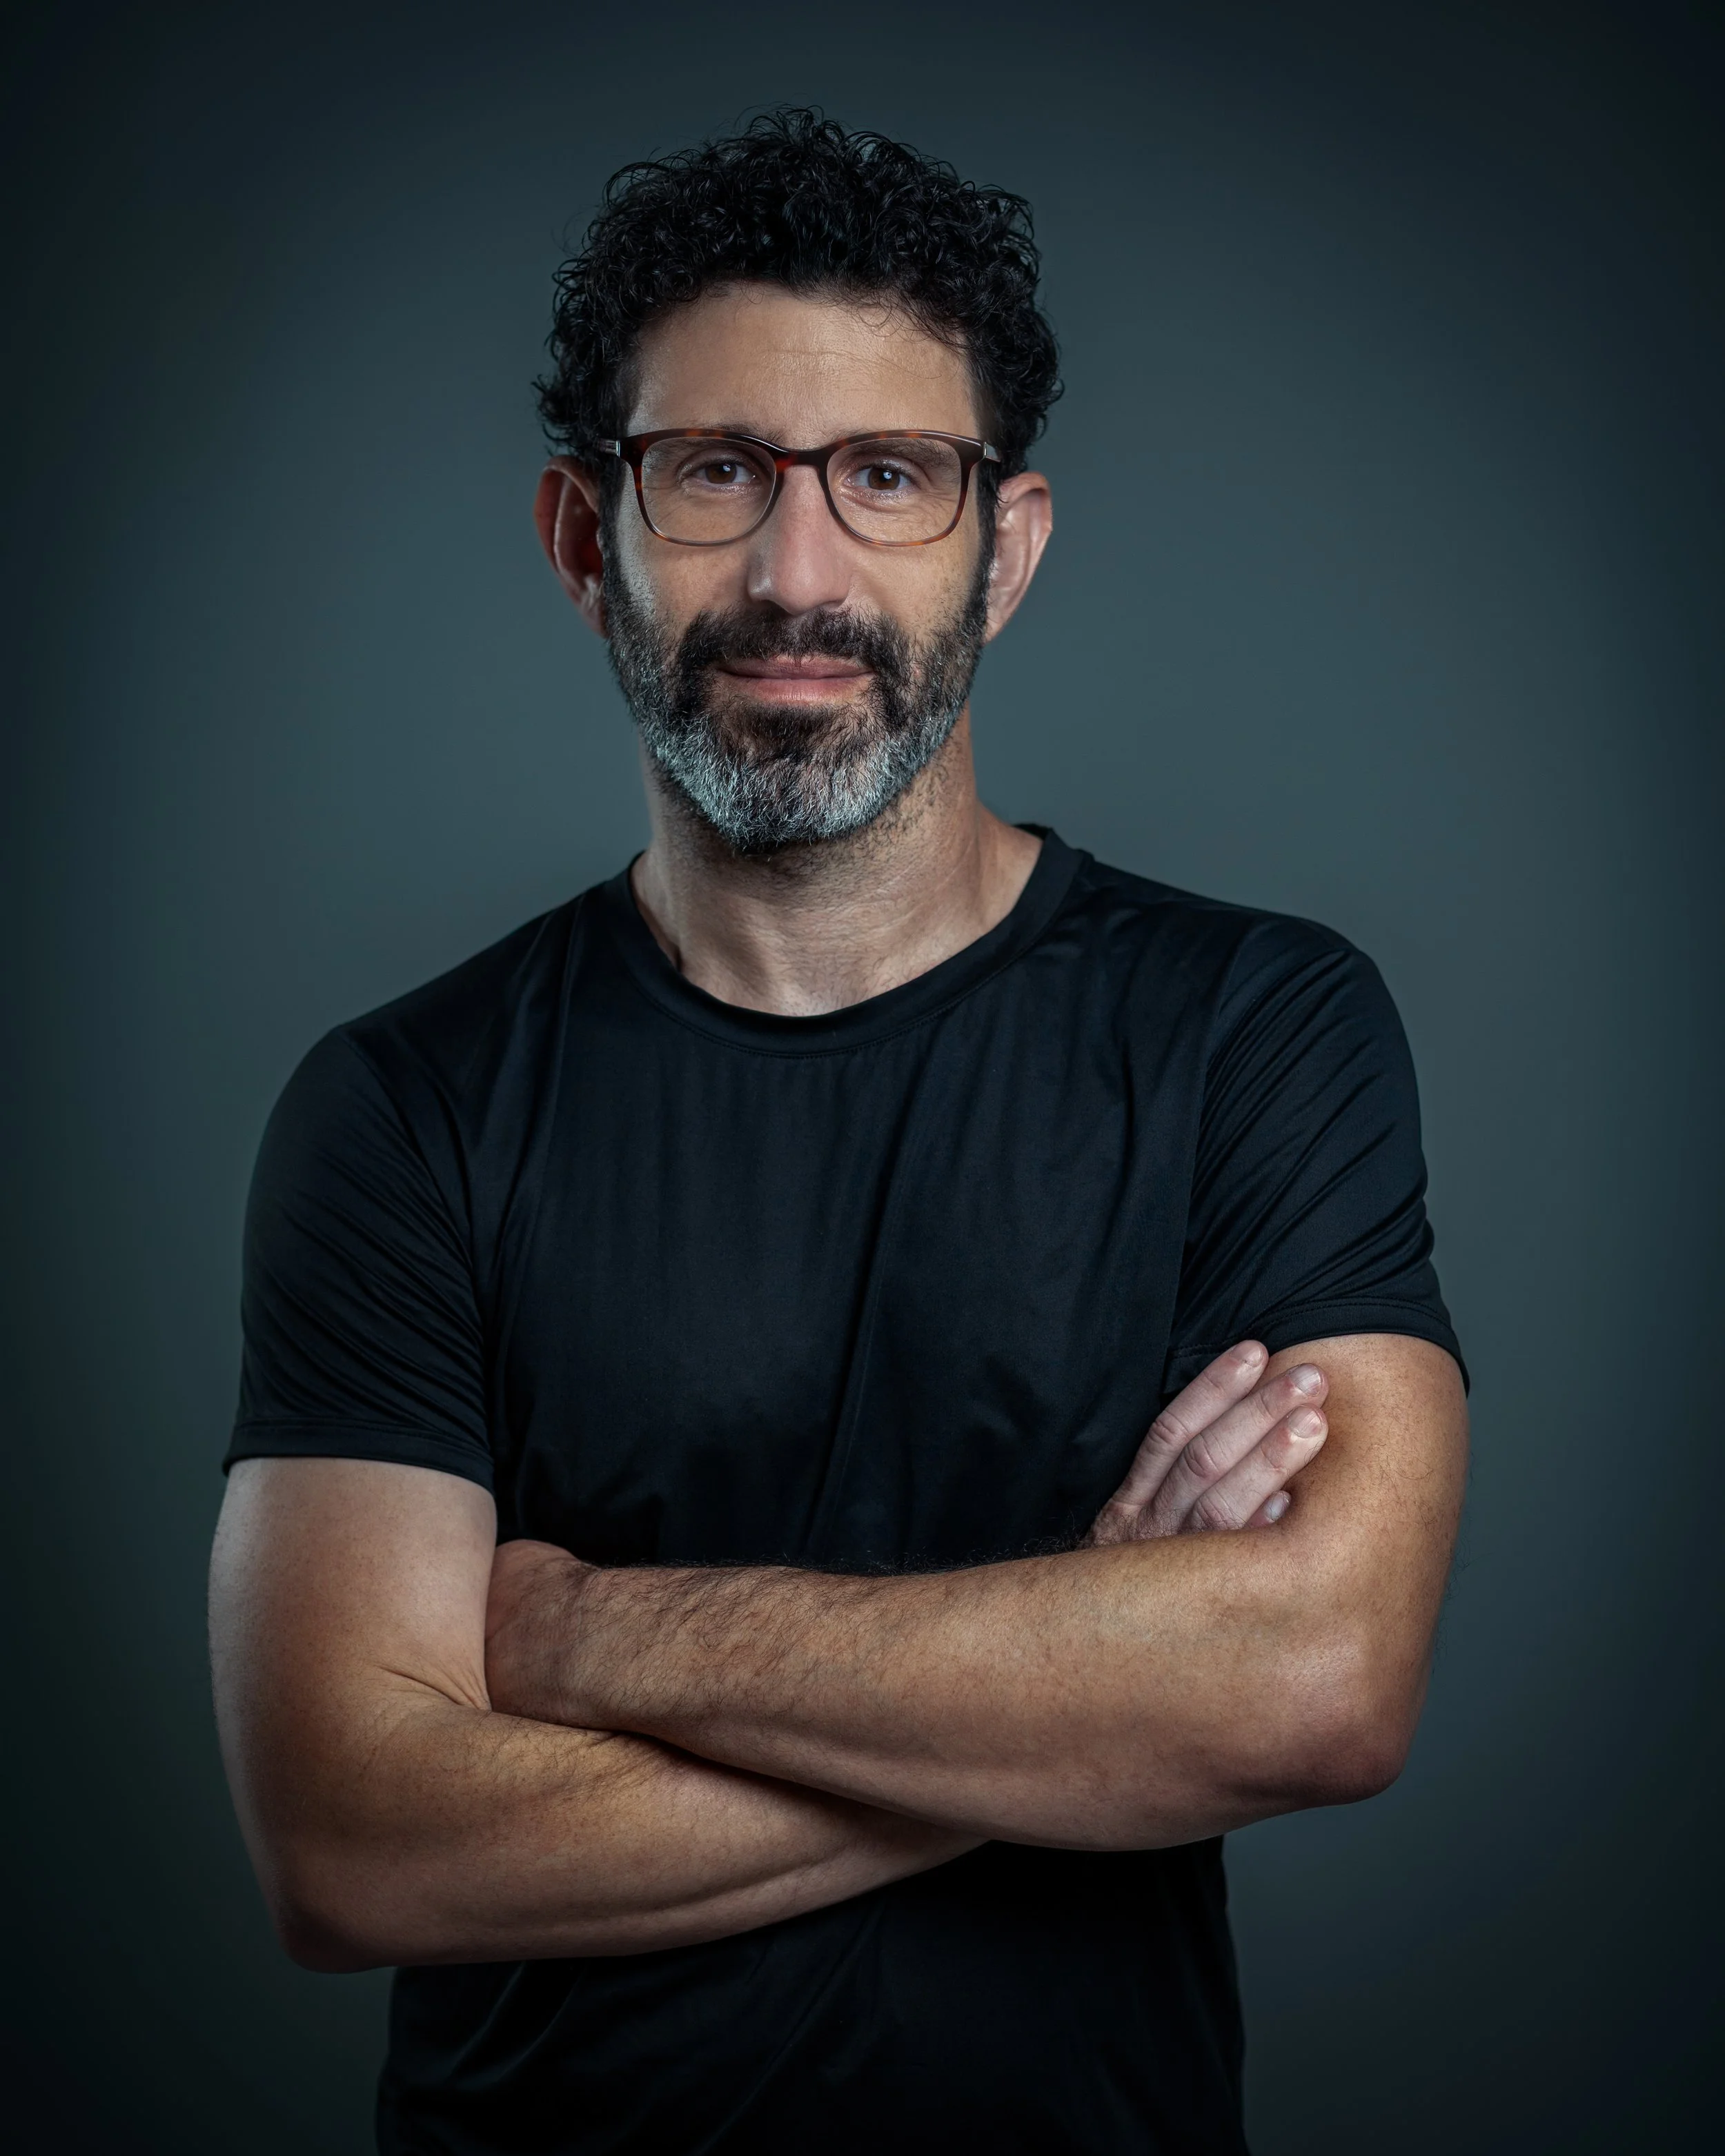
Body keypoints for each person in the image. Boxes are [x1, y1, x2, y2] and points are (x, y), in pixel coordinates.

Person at [210, 111, 1468, 2156]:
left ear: (1010, 542)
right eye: (713, 473)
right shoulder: (403, 1109)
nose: (798, 574)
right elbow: (353, 1844)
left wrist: (572, 1633)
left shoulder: (1255, 1025)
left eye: (889, 475)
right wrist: (1084, 1661)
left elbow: (1318, 1677)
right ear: (579, 534)